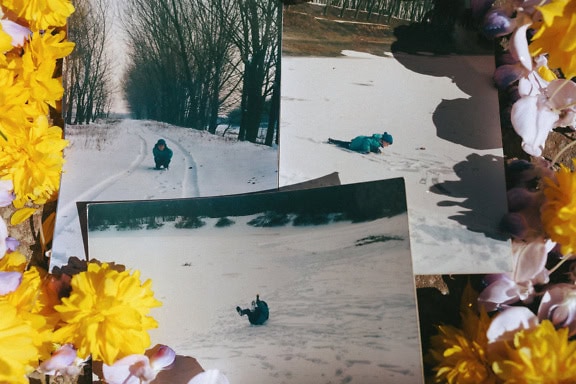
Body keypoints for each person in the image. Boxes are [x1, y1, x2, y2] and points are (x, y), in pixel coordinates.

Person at [328, 132, 393, 154]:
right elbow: (367, 141)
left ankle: (333, 141)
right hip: (356, 144)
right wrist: (367, 150)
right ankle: (332, 141)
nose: (387, 145)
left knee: (345, 143)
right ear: (384, 141)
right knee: (344, 144)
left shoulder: (378, 141)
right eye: (387, 144)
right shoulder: (376, 142)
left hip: (359, 141)